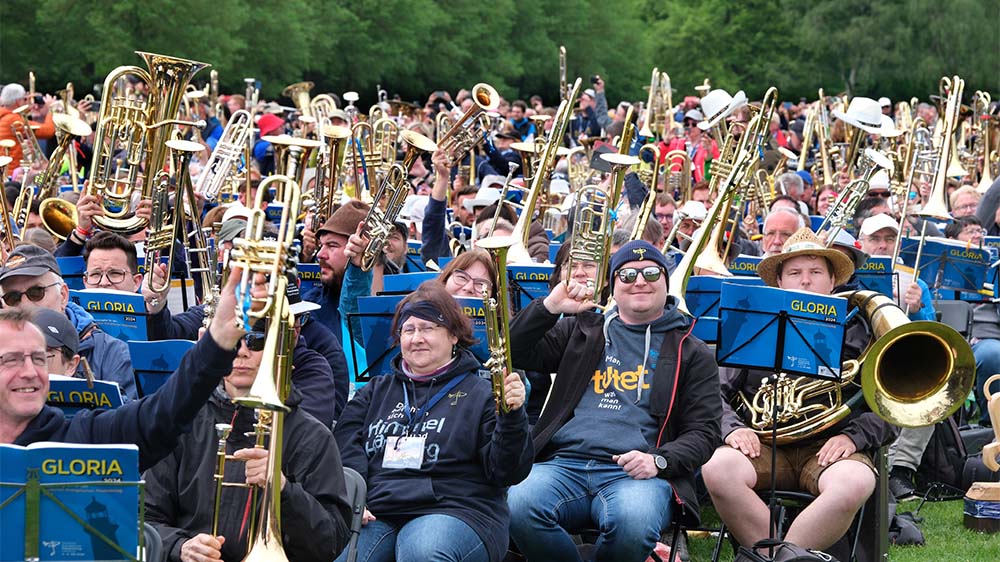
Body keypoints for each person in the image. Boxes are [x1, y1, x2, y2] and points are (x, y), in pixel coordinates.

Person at [507, 240, 721, 561]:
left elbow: (705, 432)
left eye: (650, 272)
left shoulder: (691, 350)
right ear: (612, 285)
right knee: (515, 505)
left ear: (666, 281)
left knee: (633, 524)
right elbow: (513, 349)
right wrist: (549, 307)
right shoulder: (582, 330)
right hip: (565, 464)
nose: (639, 281)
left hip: (639, 474)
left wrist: (659, 460)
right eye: (627, 274)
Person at [701, 228, 896, 553]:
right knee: (717, 469)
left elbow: (892, 404)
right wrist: (731, 430)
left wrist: (854, 437)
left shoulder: (863, 331)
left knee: (854, 483)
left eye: (815, 272)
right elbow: (713, 392)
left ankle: (775, 558)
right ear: (779, 283)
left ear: (832, 280)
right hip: (760, 444)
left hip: (829, 447)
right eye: (794, 273)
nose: (805, 281)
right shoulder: (751, 324)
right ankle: (783, 558)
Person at [333, 281, 532, 562]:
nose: (416, 338)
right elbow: (345, 444)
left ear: (453, 335)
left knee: (422, 551)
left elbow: (507, 472)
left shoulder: (483, 393)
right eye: (409, 330)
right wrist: (356, 498)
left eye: (428, 328)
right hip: (380, 509)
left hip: (456, 510)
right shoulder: (375, 390)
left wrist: (511, 418)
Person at [0, 268, 247, 474]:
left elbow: (160, 417)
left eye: (40, 358)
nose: (30, 372)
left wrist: (218, 342)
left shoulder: (79, 439)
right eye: (12, 360)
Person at [144, 319, 351, 562]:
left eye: (256, 340)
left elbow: (331, 543)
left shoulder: (312, 436)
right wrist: (181, 547)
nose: (241, 351)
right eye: (232, 341)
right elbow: (144, 520)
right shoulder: (181, 423)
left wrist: (283, 490)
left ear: (278, 348)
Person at [0, 245, 135, 398]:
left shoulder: (113, 354)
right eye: (12, 298)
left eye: (36, 292)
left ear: (63, 295)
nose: (25, 305)